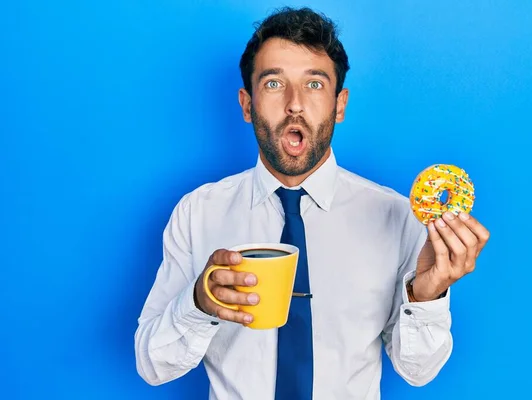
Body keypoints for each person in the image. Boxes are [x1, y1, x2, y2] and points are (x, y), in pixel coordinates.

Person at [134, 6, 490, 400]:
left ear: (340, 105)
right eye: (273, 84)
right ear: (246, 104)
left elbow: (418, 372)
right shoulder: (197, 213)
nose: (295, 104)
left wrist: (427, 295)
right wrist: (200, 303)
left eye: (315, 85)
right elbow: (152, 366)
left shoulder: (396, 216)